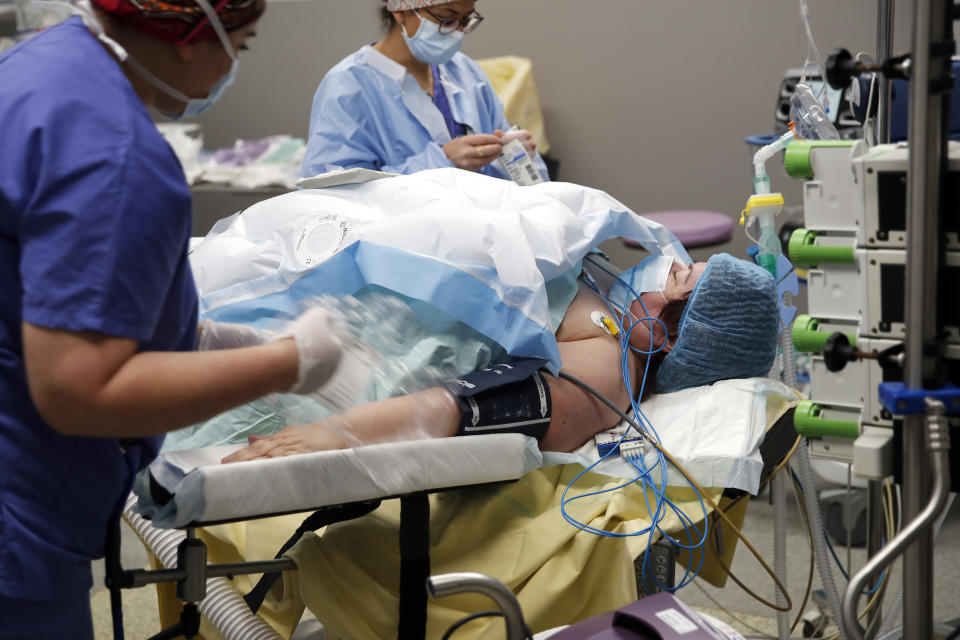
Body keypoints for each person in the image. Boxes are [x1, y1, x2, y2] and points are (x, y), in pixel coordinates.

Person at [0, 1, 349, 636]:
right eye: (239, 47)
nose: (230, 67)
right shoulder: (117, 158)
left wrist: (181, 336)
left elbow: (41, 274)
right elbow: (79, 390)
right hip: (16, 511)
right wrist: (286, 362)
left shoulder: (40, 68)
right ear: (194, 38)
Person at [225, 253, 780, 462]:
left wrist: (335, 435)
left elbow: (457, 408)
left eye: (677, 278)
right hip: (338, 311)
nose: (662, 269)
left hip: (332, 368)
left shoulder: (608, 373)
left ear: (670, 339)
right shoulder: (616, 319)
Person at [299, 0, 550, 182]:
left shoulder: (466, 73)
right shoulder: (348, 87)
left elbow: (502, 182)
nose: (458, 32)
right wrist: (440, 163)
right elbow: (331, 195)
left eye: (466, 20)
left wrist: (513, 158)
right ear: (401, 9)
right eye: (446, 18)